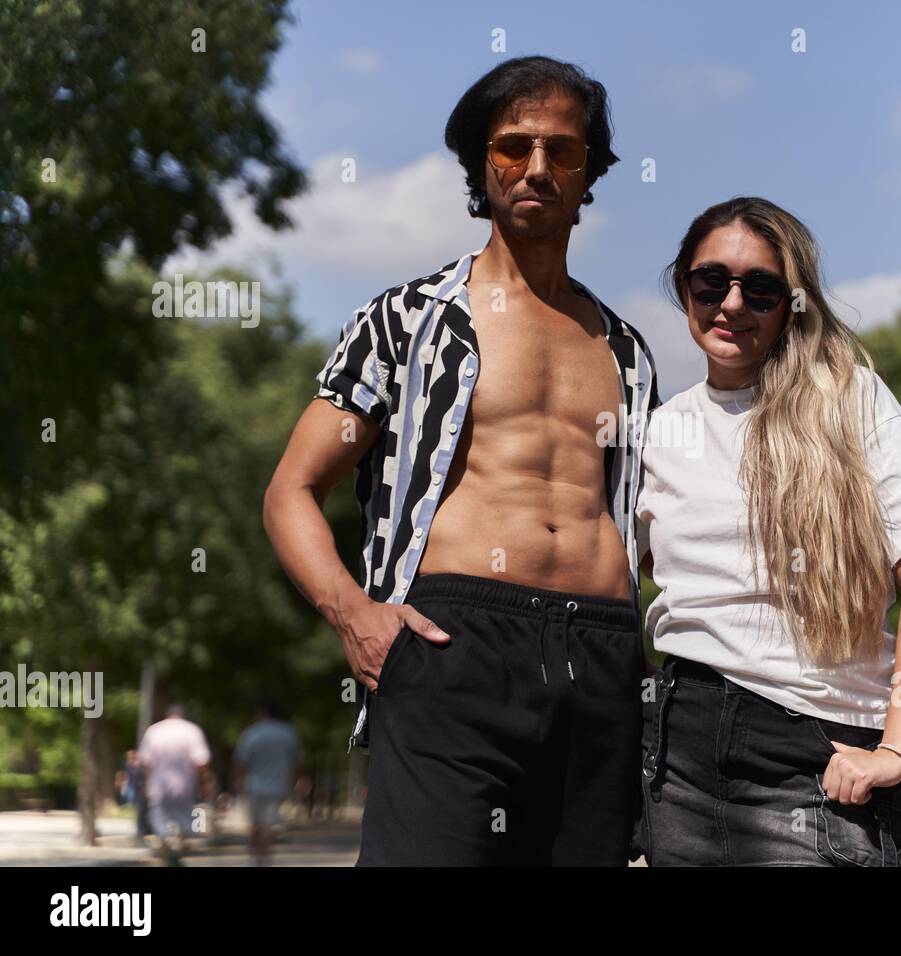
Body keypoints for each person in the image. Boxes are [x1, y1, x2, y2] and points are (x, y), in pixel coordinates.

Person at [263, 55, 658, 866]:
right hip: (454, 644)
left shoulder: (629, 351)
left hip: (604, 658)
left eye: (564, 151)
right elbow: (292, 490)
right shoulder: (405, 321)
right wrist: (355, 615)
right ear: (483, 164)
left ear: (591, 172)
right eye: (514, 147)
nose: (538, 169)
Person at [635, 196, 901, 866]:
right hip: (682, 752)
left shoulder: (854, 401)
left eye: (759, 289)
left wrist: (897, 750)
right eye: (712, 283)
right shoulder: (659, 429)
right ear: (684, 288)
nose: (731, 305)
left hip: (819, 756)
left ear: (791, 304)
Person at [138, 704, 213, 866]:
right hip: (184, 785)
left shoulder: (154, 731)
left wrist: (146, 784)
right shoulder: (193, 731)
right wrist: (205, 782)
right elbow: (202, 761)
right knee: (185, 819)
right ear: (183, 716)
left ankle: (165, 847)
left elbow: (147, 763)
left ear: (167, 715)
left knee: (159, 819)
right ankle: (181, 848)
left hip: (158, 785)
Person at [233, 697, 302, 866]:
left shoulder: (251, 732)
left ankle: (258, 856)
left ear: (263, 713)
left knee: (257, 823)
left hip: (254, 785)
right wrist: (296, 782)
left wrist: (238, 782)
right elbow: (296, 761)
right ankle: (265, 856)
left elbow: (241, 762)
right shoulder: (288, 733)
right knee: (270, 824)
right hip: (279, 785)